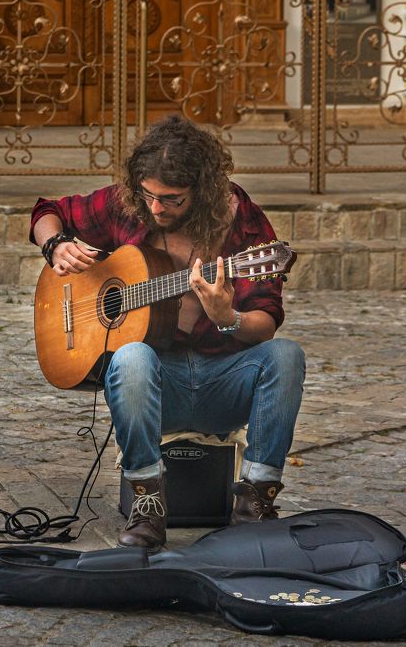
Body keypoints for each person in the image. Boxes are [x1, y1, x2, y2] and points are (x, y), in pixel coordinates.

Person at [30, 115, 305, 551]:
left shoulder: (242, 224)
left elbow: (266, 324)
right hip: (156, 389)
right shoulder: (128, 205)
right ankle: (148, 504)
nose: (156, 208)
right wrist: (56, 244)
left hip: (222, 385)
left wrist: (225, 314)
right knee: (130, 356)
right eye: (150, 195)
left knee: (287, 356)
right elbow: (48, 212)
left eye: (172, 199)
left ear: (203, 190)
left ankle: (255, 502)